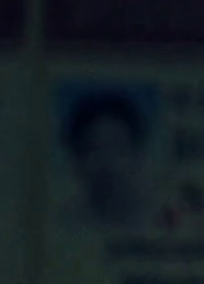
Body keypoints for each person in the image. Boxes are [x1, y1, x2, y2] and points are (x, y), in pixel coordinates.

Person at [63, 91, 150, 226]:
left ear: (138, 155)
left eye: (118, 149)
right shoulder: (64, 223)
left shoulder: (154, 220)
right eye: (94, 150)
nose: (107, 163)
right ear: (76, 160)